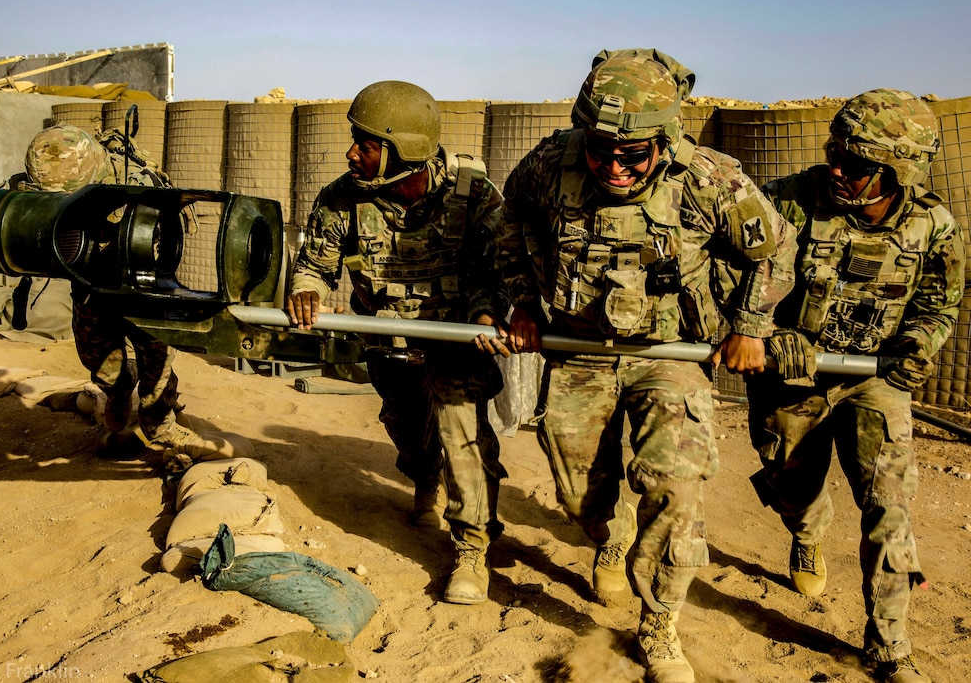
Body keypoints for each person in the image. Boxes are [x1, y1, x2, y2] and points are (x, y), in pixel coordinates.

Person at [495, 48, 797, 683]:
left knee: (675, 484)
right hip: (578, 349)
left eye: (632, 155)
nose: (613, 166)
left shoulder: (711, 180)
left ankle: (659, 624)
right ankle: (610, 534)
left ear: (663, 139)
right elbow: (509, 218)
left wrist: (748, 327)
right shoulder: (551, 163)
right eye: (602, 149)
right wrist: (521, 300)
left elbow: (773, 253)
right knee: (580, 494)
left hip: (670, 355)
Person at [746, 89, 963, 683]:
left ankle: (889, 645)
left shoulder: (934, 226)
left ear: (899, 171)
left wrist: (918, 346)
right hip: (793, 377)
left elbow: (940, 304)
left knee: (890, 509)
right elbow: (734, 281)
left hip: (875, 381)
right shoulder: (787, 203)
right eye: (835, 153)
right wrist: (767, 333)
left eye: (858, 164)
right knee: (794, 487)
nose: (837, 169)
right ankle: (808, 530)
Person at [286, 80, 511, 605]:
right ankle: (422, 472)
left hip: (456, 341)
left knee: (466, 439)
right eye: (354, 140)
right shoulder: (343, 198)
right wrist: (306, 292)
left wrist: (484, 310)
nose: (351, 153)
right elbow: (316, 265)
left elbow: (499, 269)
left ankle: (472, 550)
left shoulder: (474, 195)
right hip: (389, 344)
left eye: (365, 144)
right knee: (411, 431)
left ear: (402, 150)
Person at [7, 123, 202, 456]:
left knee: (155, 357)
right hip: (89, 282)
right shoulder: (38, 181)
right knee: (96, 356)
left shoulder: (137, 187)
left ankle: (160, 422)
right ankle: (118, 387)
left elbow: (158, 247)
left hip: (141, 282)